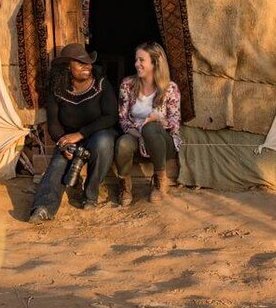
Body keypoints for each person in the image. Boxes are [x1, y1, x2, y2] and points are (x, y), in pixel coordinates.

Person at [28, 43, 118, 223]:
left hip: (97, 134)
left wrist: (81, 134)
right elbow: (54, 124)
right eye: (80, 63)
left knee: (103, 141)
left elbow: (111, 117)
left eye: (88, 62)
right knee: (59, 162)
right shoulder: (57, 89)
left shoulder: (101, 84)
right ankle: (43, 207)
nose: (87, 67)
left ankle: (90, 195)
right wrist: (64, 143)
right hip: (70, 138)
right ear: (67, 67)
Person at [114, 42, 181, 205]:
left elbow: (175, 123)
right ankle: (125, 185)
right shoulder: (127, 85)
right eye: (136, 60)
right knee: (123, 144)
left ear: (155, 62)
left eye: (141, 60)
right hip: (136, 135)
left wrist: (158, 119)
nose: (136, 64)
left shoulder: (170, 88)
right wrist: (139, 135)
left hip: (162, 142)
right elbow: (123, 119)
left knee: (150, 127)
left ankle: (160, 181)